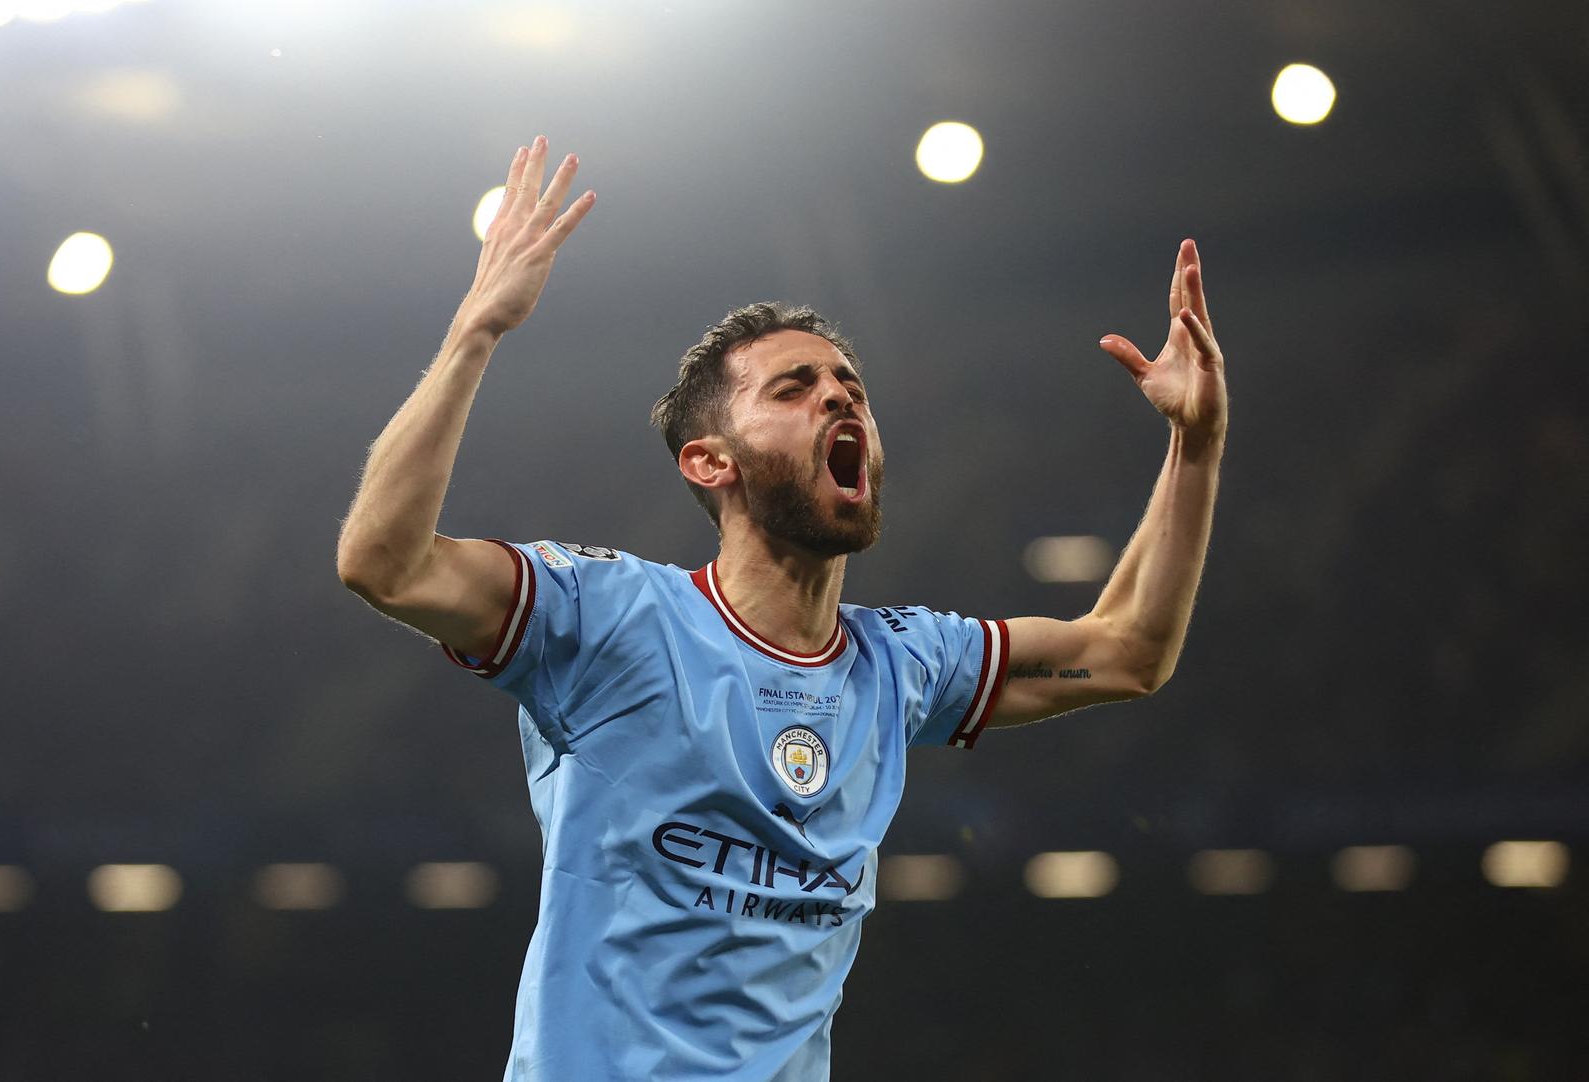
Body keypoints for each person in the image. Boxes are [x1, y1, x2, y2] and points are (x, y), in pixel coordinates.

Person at [336, 135, 1227, 1081]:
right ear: (709, 461)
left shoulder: (902, 666)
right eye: (794, 389)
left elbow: (1130, 650)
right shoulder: (606, 620)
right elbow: (385, 563)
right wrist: (477, 327)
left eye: (850, 388)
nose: (838, 400)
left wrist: (1197, 444)